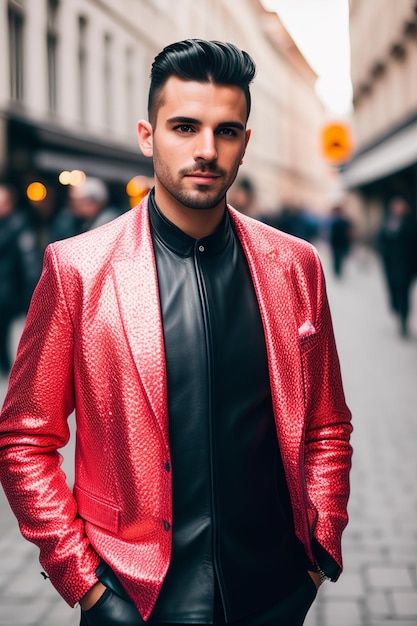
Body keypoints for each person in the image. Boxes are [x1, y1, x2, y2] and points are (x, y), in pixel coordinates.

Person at [0, 40, 352, 626]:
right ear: (148, 135)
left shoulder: (296, 266)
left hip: (273, 594)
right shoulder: (79, 269)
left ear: (245, 142)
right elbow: (24, 438)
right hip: (134, 599)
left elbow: (326, 424)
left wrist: (316, 553)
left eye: (227, 131)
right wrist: (83, 581)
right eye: (185, 127)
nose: (206, 150)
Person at [0, 184, 41, 376]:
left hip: (10, 292)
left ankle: (11, 368)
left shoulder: (19, 225)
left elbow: (29, 262)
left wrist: (30, 297)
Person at [378, 196, 417, 337]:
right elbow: (381, 240)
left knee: (405, 293)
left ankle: (404, 321)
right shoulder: (388, 222)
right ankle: (397, 309)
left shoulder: (411, 223)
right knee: (393, 290)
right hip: (391, 265)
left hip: (407, 266)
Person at [49, 177, 121, 242]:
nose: (74, 206)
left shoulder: (109, 222)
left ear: (93, 202)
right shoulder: (75, 219)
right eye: (73, 201)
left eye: (79, 201)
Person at [329, 205, 352, 278]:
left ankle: (337, 271)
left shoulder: (335, 222)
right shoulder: (343, 221)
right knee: (338, 257)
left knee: (337, 257)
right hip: (339, 242)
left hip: (338, 242)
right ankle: (338, 271)